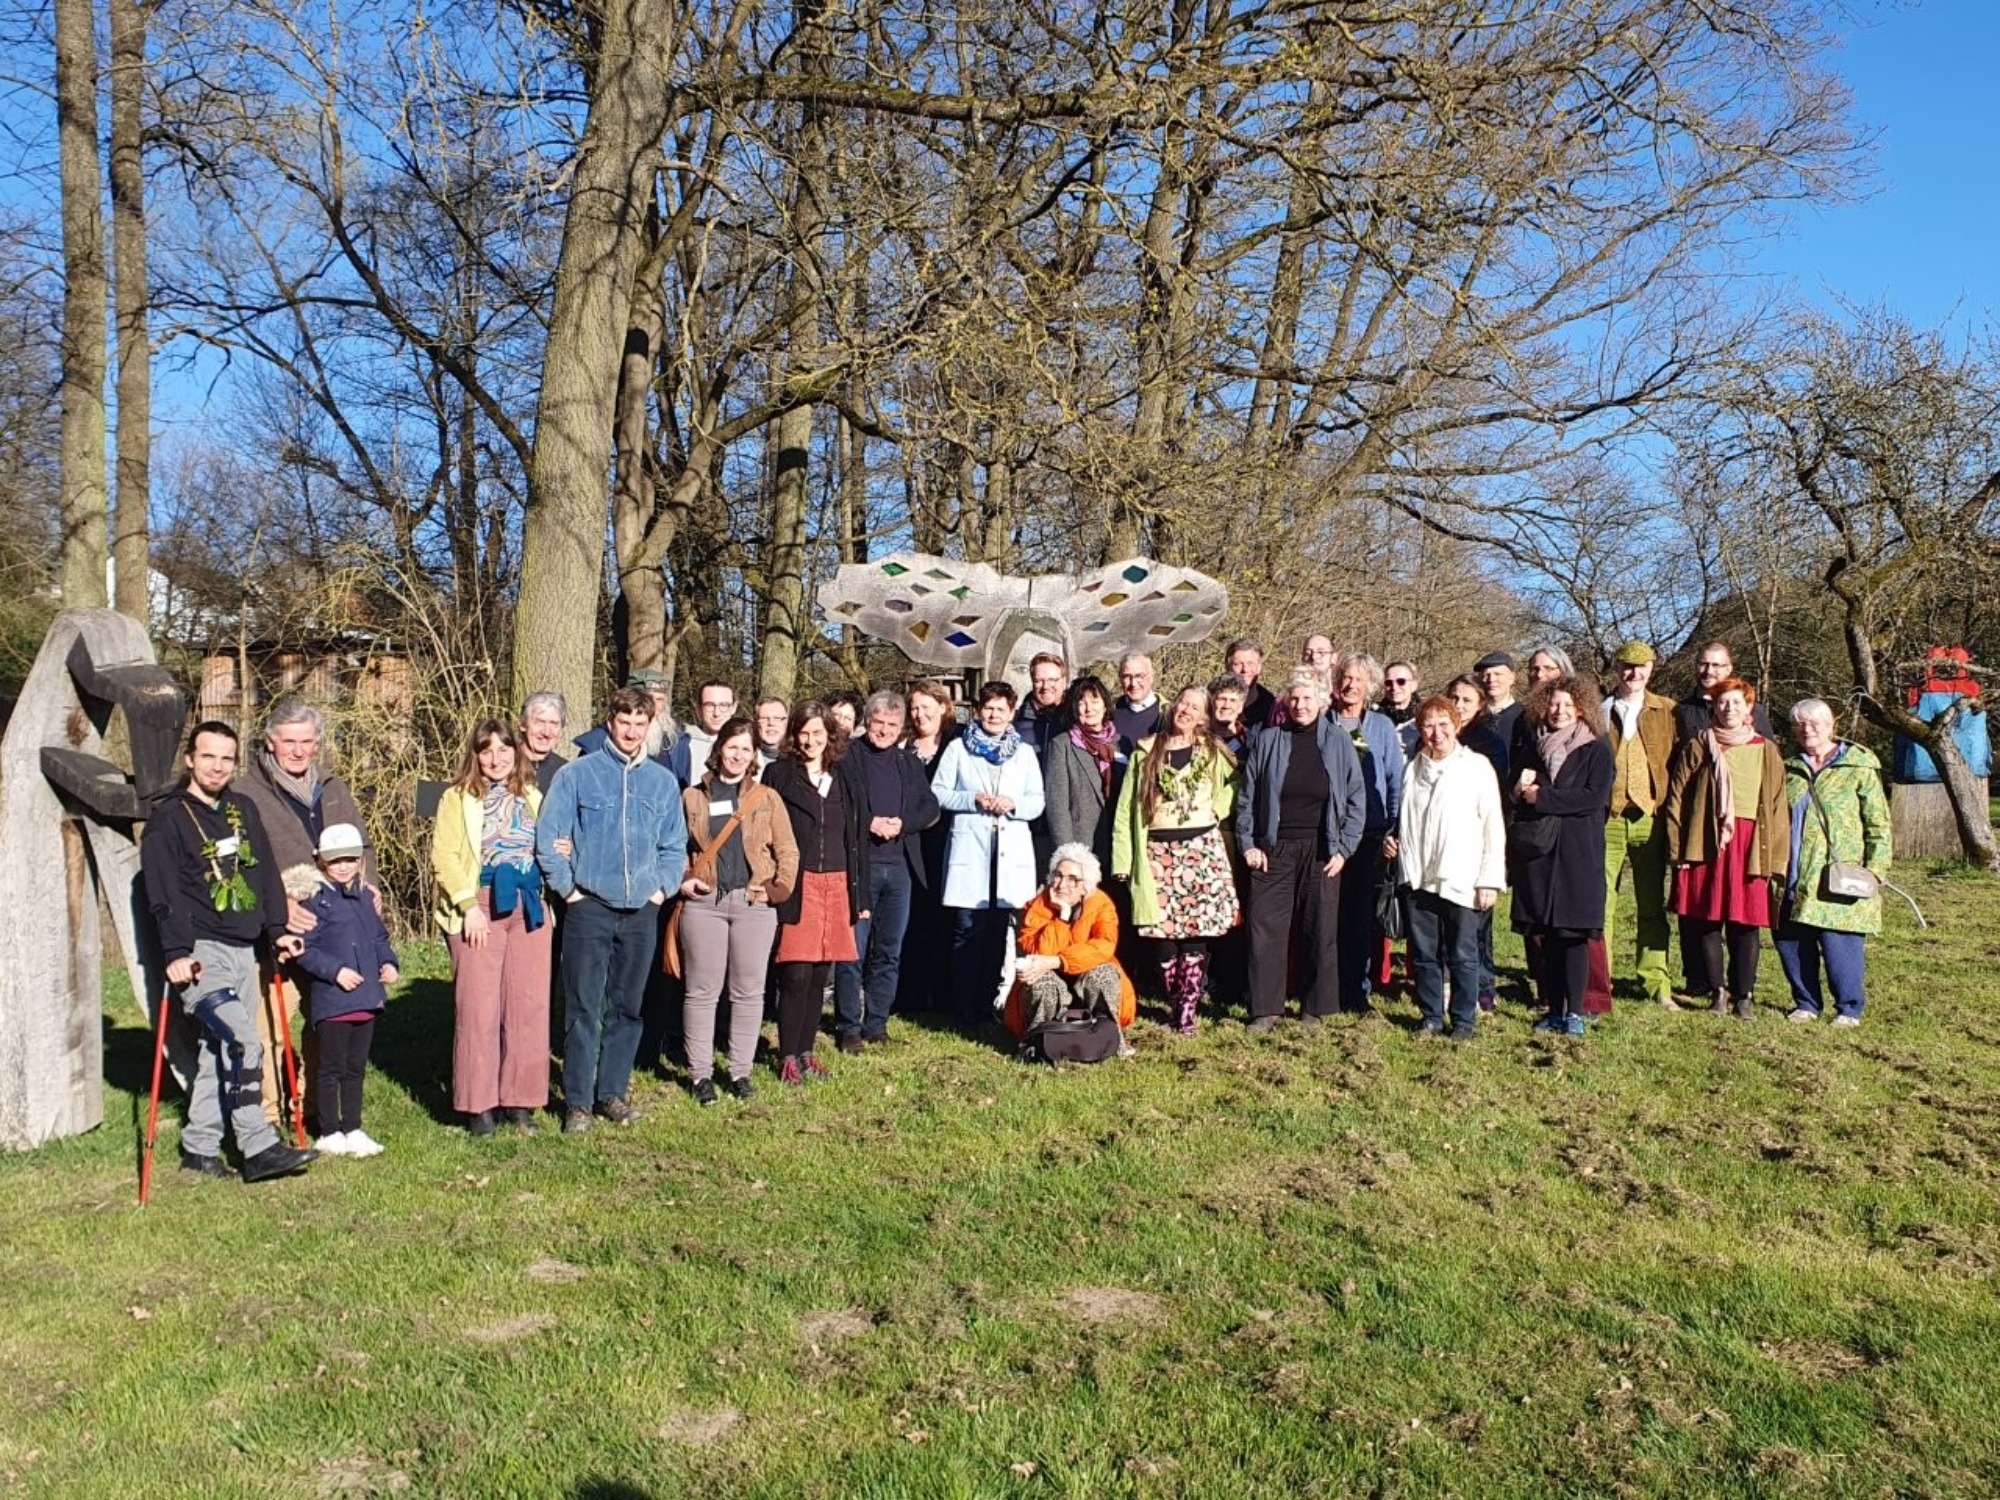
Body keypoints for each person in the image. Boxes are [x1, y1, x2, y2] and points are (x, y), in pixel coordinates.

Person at [139, 720, 317, 1182]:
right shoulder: (169, 819)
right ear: (189, 760)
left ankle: (199, 1149)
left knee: (214, 1050)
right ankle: (258, 1147)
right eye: (208, 756)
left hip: (245, 951)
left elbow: (265, 875)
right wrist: (176, 952)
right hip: (201, 954)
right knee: (243, 1041)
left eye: (226, 758)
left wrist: (277, 930)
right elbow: (162, 893)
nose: (217, 767)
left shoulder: (242, 809)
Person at [537, 686, 688, 1133]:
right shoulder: (577, 775)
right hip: (589, 907)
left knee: (628, 1007)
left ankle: (612, 1093)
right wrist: (570, 892)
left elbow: (674, 846)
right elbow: (549, 839)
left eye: (640, 724)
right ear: (610, 722)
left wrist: (660, 891)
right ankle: (578, 1102)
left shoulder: (662, 783)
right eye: (625, 723)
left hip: (641, 911)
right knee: (584, 1007)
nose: (632, 732)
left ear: (649, 726)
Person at [232, 699, 377, 1133]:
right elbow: (238, 866)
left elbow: (362, 846)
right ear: (270, 743)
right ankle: (266, 1114)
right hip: (281, 930)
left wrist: (370, 889)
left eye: (307, 742)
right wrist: (277, 910)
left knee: (324, 1022)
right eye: (289, 742)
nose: (298, 751)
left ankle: (315, 1108)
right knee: (270, 1028)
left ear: (317, 744)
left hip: (333, 930)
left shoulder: (332, 787)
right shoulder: (246, 794)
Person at [432, 718, 552, 1136]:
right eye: (487, 751)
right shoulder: (457, 797)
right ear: (476, 755)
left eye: (504, 749)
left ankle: (520, 1100)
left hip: (528, 905)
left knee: (528, 1006)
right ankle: (478, 1105)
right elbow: (444, 856)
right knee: (478, 1008)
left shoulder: (532, 794)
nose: (496, 758)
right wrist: (468, 906)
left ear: (516, 753)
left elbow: (547, 846)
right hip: (479, 904)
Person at [1234, 668, 1366, 1029]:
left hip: (1323, 849)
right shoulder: (1268, 740)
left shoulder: (1339, 741)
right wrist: (1248, 844)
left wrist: (1345, 849)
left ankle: (1315, 1007)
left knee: (1319, 929)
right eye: (1293, 698)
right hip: (1273, 848)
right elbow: (1247, 799)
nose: (1300, 705)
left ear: (1322, 701)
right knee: (1265, 929)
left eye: (1308, 698)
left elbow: (1356, 798)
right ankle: (1265, 1009)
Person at [676, 717, 798, 1101]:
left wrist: (778, 889)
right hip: (705, 903)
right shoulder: (692, 797)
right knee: (701, 991)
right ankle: (701, 1075)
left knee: (748, 991)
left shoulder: (767, 798)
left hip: (753, 904)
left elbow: (788, 850)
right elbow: (674, 846)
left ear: (754, 755)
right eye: (732, 747)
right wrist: (682, 878)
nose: (738, 755)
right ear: (719, 749)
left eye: (746, 749)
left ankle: (740, 1072)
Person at [1111, 685, 1241, 1034]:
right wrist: (1123, 861)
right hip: (1157, 855)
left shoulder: (1212, 751)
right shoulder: (1146, 752)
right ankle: (1175, 998)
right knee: (1162, 935)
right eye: (1183, 703)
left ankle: (1186, 1014)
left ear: (1203, 717)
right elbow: (1125, 811)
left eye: (1195, 707)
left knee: (1196, 932)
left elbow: (1237, 783)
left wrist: (1218, 808)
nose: (1186, 710)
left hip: (1201, 853)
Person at [1664, 677, 1787, 1019]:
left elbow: (1778, 806)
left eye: (1736, 702)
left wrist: (1776, 859)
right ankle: (1717, 991)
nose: (1728, 708)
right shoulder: (1699, 745)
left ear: (1749, 708)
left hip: (1751, 844)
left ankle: (1743, 994)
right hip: (1705, 842)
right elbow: (1677, 799)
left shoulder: (1767, 750)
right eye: (1721, 702)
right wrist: (1678, 849)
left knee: (1746, 923)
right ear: (1713, 708)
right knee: (1707, 919)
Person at [932, 681, 1046, 1034]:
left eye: (1001, 709)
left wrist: (1014, 804)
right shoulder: (958, 749)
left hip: (1008, 854)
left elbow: (1037, 801)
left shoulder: (1023, 753)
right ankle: (963, 1010)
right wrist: (972, 800)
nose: (994, 715)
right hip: (971, 853)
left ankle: (987, 1006)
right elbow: (938, 792)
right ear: (978, 711)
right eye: (988, 708)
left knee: (998, 934)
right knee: (967, 931)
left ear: (1011, 713)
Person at [764, 702, 867, 1083]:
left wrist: (861, 897)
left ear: (830, 735)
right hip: (799, 883)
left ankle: (806, 1051)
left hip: (838, 882)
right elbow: (765, 832)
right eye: (804, 733)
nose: (810, 741)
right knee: (795, 973)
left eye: (818, 733)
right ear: (795, 735)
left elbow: (858, 836)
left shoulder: (845, 775)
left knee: (821, 972)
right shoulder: (779, 774)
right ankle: (787, 1055)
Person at [833, 691, 940, 1052]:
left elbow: (930, 806)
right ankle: (848, 1026)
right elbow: (837, 805)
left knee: (889, 950)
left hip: (900, 869)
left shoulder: (908, 763)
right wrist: (869, 823)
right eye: (878, 723)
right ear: (866, 722)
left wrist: (903, 824)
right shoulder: (847, 757)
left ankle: (876, 1023)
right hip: (859, 866)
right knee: (853, 951)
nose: (884, 730)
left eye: (892, 725)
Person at [1777, 698, 1892, 1028]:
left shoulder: (1858, 767)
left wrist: (1876, 869)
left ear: (1832, 726)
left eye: (1815, 723)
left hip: (1839, 875)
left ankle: (1849, 1008)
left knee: (1840, 943)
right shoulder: (1788, 770)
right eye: (1799, 724)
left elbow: (1878, 822)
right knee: (1792, 941)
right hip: (1792, 873)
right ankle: (1805, 1003)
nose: (1807, 729)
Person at [1509, 675, 1613, 1036]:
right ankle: (1554, 1009)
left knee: (1573, 935)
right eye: (1554, 703)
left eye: (1568, 704)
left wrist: (1543, 798)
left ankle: (1576, 1012)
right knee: (1547, 937)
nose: (1560, 711)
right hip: (1539, 852)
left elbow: (1592, 797)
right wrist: (1518, 789)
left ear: (1582, 709)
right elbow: (1514, 788)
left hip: (1578, 853)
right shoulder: (1533, 745)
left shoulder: (1596, 749)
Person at [1397, 697, 1506, 1039]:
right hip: (1419, 876)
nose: (1436, 732)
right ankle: (1431, 1016)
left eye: (1443, 724)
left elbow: (1492, 826)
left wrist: (1489, 879)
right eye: (1428, 725)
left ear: (1456, 726)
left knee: (1462, 953)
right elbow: (1406, 820)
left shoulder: (1476, 767)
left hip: (1461, 876)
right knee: (1425, 954)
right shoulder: (1412, 769)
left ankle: (1462, 1020)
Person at [293, 824, 399, 1157]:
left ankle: (353, 1127)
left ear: (360, 860)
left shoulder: (365, 897)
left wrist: (388, 962)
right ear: (321, 862)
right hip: (333, 1001)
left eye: (350, 859)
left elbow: (378, 937)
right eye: (335, 860)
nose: (343, 867)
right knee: (330, 1068)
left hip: (366, 998)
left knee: (355, 1068)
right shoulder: (313, 900)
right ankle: (329, 1131)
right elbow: (304, 949)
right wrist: (335, 971)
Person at [1328, 653, 1404, 1015]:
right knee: (1329, 917)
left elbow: (1394, 780)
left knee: (1360, 918)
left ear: (1370, 685)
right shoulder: (1323, 722)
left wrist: (1393, 827)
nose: (1351, 685)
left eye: (1359, 679)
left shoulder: (1381, 727)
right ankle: (1326, 988)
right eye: (1346, 677)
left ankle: (1356, 991)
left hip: (1369, 835)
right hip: (1328, 834)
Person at [1602, 642, 1677, 1008]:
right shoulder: (1599, 710)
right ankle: (1599, 981)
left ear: (1651, 669)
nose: (1633, 673)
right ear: (1617, 669)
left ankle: (1656, 983)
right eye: (1627, 667)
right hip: (1608, 818)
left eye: (1641, 667)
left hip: (1651, 817)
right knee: (1601, 905)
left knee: (1651, 905)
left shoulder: (1668, 711)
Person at [1006, 845, 1138, 1038]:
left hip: (1085, 979)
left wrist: (1060, 961)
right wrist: (1063, 917)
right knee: (1040, 980)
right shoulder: (1038, 905)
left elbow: (1104, 946)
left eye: (1072, 879)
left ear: (1086, 886)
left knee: (1105, 973)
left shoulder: (1101, 904)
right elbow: (1039, 954)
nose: (1061, 884)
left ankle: (1108, 1037)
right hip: (1052, 981)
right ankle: (1038, 1041)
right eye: (1058, 875)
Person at [897, 680, 961, 1018]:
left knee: (946, 918)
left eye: (926, 707)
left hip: (949, 841)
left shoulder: (958, 742)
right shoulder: (903, 746)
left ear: (943, 707)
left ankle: (945, 995)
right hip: (910, 844)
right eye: (914, 708)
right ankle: (911, 996)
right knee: (913, 919)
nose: (920, 714)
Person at [1446, 673, 1506, 1013]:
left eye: (1467, 700)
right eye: (1454, 698)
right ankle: (1448, 985)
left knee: (1478, 922)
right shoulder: (1437, 735)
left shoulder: (1489, 743)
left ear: (1481, 705)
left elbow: (1494, 801)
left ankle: (1484, 986)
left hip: (1474, 841)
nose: (1458, 705)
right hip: (1442, 841)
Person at [1042, 674, 1120, 868]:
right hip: (1080, 848)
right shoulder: (1061, 745)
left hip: (1118, 845)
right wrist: (1067, 854)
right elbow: (1057, 806)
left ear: (1105, 705)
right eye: (1082, 703)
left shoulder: (1120, 743)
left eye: (1094, 701)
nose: (1089, 708)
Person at [1673, 641, 1775, 741]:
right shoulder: (1679, 712)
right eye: (1703, 664)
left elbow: (1769, 750)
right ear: (1695, 666)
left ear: (1728, 669)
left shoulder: (1752, 711)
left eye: (1716, 665)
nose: (1708, 671)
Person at [667, 679, 737, 787]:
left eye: (724, 705)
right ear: (698, 708)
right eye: (709, 705)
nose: (716, 713)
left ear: (734, 707)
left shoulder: (747, 746)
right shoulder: (678, 744)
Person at [1014, 653, 1069, 753]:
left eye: (1052, 680)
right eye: (1038, 681)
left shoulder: (1076, 719)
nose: (1045, 687)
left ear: (1064, 681)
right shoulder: (1017, 721)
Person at [519, 691, 570, 795]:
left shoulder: (567, 773)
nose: (546, 732)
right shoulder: (502, 766)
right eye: (540, 722)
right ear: (522, 725)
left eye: (554, 724)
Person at [1474, 651, 1522, 760]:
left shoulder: (1525, 717)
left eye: (1498, 674)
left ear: (1512, 678)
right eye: (1486, 675)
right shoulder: (1471, 717)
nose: (1491, 680)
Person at [1113, 654, 1163, 754]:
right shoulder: (1110, 711)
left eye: (1139, 676)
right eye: (1127, 676)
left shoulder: (1167, 715)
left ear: (1151, 677)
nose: (1133, 683)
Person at [1226, 638, 1277, 728]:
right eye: (1238, 664)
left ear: (1259, 667)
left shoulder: (1272, 707)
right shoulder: (1212, 704)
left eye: (1250, 663)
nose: (1245, 669)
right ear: (1227, 667)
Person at [1207, 673, 1250, 757]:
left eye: (1233, 700)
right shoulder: (1196, 737)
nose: (1227, 706)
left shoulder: (1251, 742)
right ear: (1210, 702)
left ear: (1240, 707)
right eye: (1222, 699)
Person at [1381, 660, 1421, 741]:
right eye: (1388, 682)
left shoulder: (1426, 715)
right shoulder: (1372, 716)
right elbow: (1358, 745)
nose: (1394, 687)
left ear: (1414, 685)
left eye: (1401, 681)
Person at [753, 696, 790, 769]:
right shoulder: (745, 759)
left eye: (777, 718)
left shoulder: (799, 760)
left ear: (786, 721)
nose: (771, 723)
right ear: (756, 723)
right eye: (764, 718)